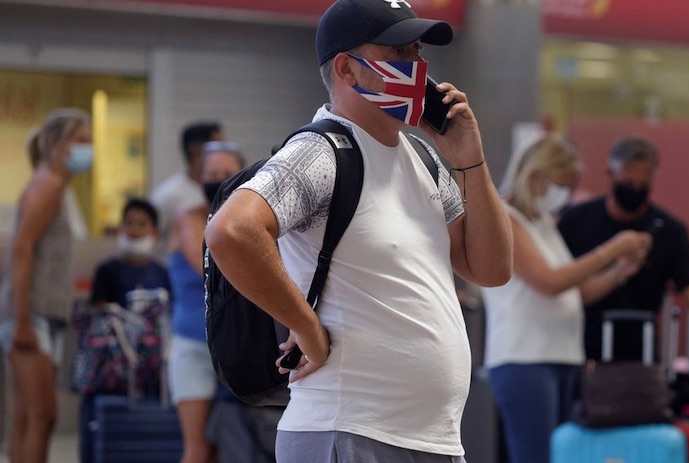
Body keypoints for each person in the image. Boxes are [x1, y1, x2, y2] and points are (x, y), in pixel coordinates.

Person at [204, 0, 513, 460]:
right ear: (347, 69)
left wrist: (470, 158)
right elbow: (231, 231)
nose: (418, 66)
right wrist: (305, 326)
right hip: (349, 430)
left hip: (433, 438)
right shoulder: (321, 152)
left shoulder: (423, 157)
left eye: (418, 50)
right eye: (399, 52)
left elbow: (490, 268)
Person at [480, 135, 650, 463]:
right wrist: (611, 250)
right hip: (524, 358)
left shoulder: (543, 224)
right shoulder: (505, 219)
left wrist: (620, 271)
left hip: (562, 355)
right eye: (562, 184)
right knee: (535, 457)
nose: (565, 194)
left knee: (561, 456)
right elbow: (549, 282)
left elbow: (577, 292)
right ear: (536, 175)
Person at [557, 137, 689, 386]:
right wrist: (613, 260)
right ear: (610, 174)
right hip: (578, 350)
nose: (635, 188)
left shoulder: (667, 231)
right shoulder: (576, 222)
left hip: (641, 352)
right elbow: (565, 288)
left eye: (643, 183)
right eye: (628, 181)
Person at [0, 108, 92, 463]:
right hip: (31, 314)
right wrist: (23, 319)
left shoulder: (57, 187)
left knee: (27, 414)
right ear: (54, 143)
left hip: (44, 314)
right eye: (80, 141)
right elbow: (21, 248)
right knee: (43, 415)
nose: (87, 149)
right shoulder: (48, 185)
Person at [78, 198, 171, 463]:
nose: (134, 230)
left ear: (154, 231)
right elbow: (97, 319)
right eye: (129, 223)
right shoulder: (107, 271)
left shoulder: (161, 273)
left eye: (142, 224)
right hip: (113, 371)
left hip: (153, 371)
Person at [168, 141, 245, 463]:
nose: (219, 180)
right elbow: (211, 266)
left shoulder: (250, 219)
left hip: (237, 347)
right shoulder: (188, 219)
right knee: (199, 448)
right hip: (194, 345)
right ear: (199, 180)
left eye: (227, 173)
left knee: (235, 444)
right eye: (212, 174)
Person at [150, 121, 223, 240]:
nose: (224, 154)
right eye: (218, 147)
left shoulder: (227, 191)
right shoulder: (167, 196)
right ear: (196, 151)